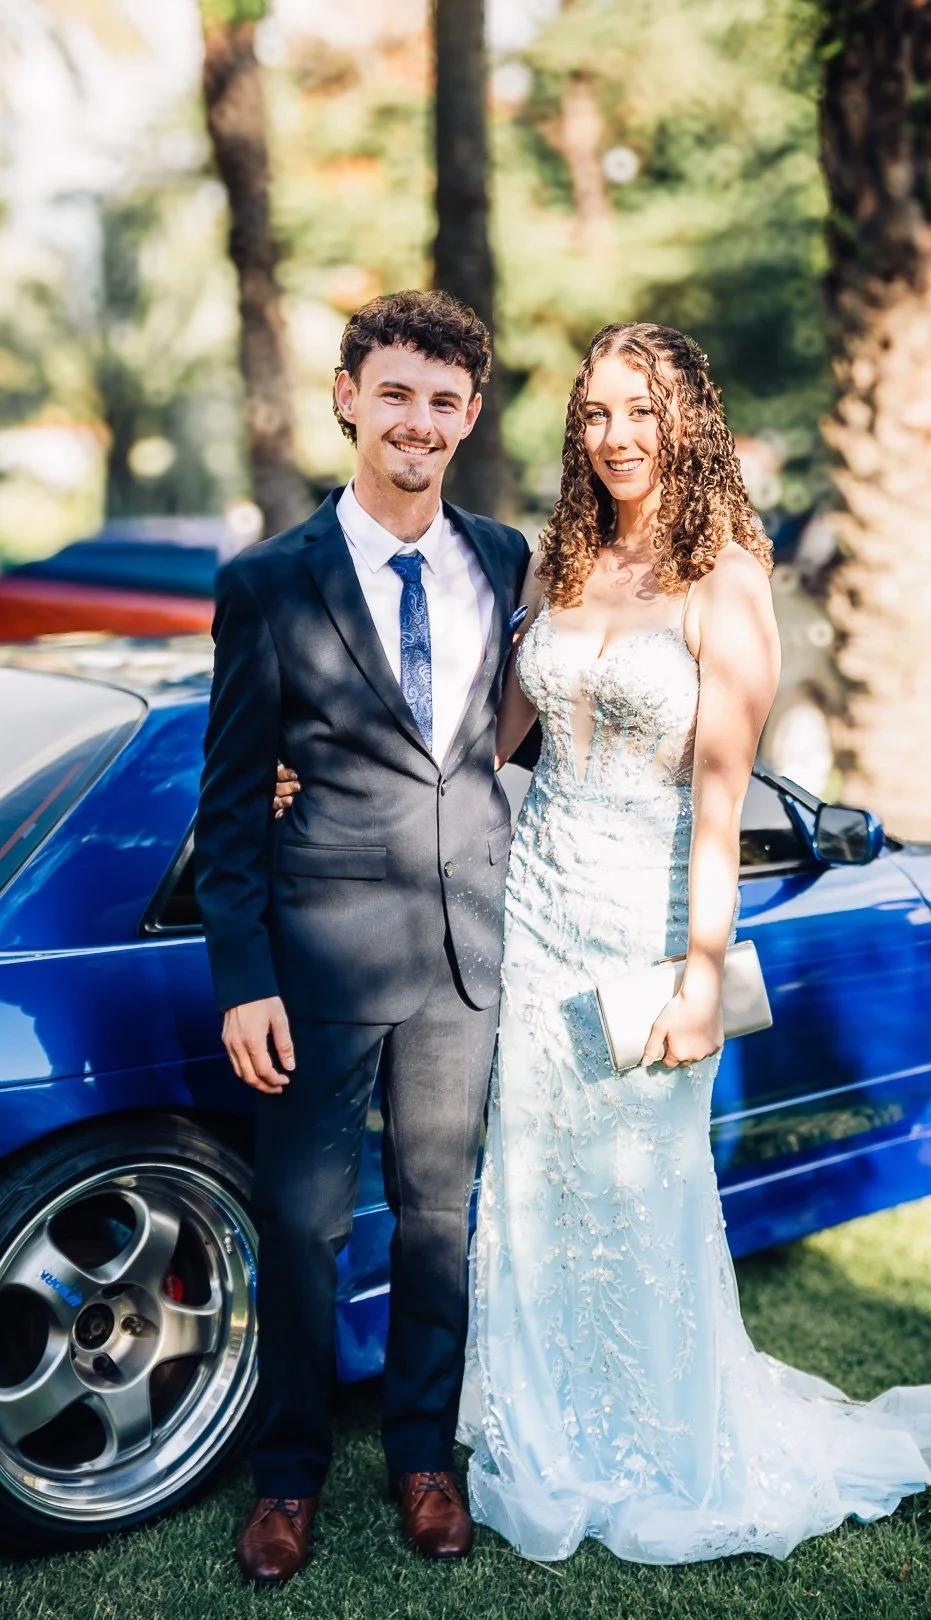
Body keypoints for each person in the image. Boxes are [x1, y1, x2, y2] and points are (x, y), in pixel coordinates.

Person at [275, 320, 931, 1566]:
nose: (616, 435)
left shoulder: (727, 578)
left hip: (646, 920)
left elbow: (721, 802)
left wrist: (702, 973)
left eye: (642, 411)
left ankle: (651, 1437)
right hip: (528, 917)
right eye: (596, 412)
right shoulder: (560, 561)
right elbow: (475, 745)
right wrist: (322, 771)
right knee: (528, 1185)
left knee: (641, 1188)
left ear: (689, 421)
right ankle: (542, 1431)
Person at [194, 289, 531, 1585]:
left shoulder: (503, 559)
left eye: (443, 401)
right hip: (320, 962)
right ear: (348, 397)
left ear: (470, 414)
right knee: (303, 1230)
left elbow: (508, 740)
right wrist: (245, 980)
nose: (418, 422)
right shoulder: (268, 582)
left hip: (464, 955)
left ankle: (423, 1458)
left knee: (441, 1219)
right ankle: (286, 1477)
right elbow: (231, 802)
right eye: (395, 393)